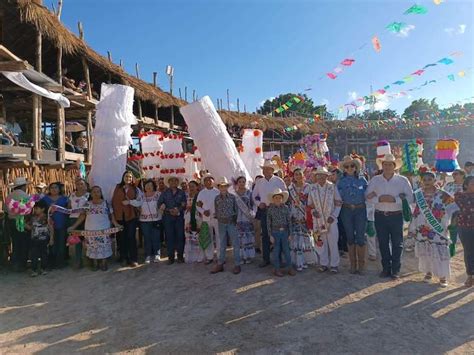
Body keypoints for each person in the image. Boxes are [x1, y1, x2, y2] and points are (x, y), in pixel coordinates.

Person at [366, 154, 414, 279]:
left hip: (396, 215)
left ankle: (396, 269)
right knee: (382, 243)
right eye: (385, 164)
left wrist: (394, 200)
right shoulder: (375, 180)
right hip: (380, 215)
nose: (387, 166)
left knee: (397, 243)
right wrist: (379, 199)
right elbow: (367, 196)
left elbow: (410, 197)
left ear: (394, 166)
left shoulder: (402, 180)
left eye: (389, 164)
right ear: (382, 166)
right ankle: (386, 268)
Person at [409, 171, 458, 287]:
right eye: (424, 180)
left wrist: (452, 222)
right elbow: (413, 210)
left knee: (440, 250)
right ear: (421, 181)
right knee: (426, 250)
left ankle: (442, 276)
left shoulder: (443, 194)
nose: (427, 182)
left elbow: (454, 207)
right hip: (422, 228)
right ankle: (428, 272)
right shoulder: (417, 194)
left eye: (429, 179)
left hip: (438, 228)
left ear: (434, 180)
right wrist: (413, 228)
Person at [68, 186, 121, 271]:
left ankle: (104, 262)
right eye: (94, 192)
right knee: (92, 245)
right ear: (91, 194)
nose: (96, 193)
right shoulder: (87, 204)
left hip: (104, 228)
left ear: (101, 193)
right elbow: (82, 216)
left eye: (98, 192)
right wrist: (74, 226)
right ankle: (95, 263)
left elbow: (111, 216)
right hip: (90, 228)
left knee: (104, 245)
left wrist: (116, 224)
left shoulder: (106, 203)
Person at [252, 160, 287, 267]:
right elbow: (254, 196)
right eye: (264, 169)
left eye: (268, 169)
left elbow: (285, 194)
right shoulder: (259, 182)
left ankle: (279, 259)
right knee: (265, 235)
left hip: (276, 210)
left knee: (278, 234)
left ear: (272, 170)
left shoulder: (279, 181)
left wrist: (279, 205)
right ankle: (266, 259)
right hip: (265, 210)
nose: (266, 171)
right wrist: (259, 204)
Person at [337, 156, 368, 274]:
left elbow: (368, 193)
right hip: (347, 210)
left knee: (360, 236)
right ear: (344, 169)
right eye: (346, 166)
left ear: (356, 167)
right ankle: (353, 264)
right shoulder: (341, 182)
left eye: (352, 166)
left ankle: (361, 264)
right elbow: (337, 196)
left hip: (360, 209)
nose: (349, 168)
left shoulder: (362, 180)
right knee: (349, 237)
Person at [308, 167, 342, 273]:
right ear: (316, 176)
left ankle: (334, 264)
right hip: (318, 221)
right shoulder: (312, 188)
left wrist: (334, 215)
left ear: (327, 176)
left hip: (330, 220)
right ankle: (323, 263)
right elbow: (310, 204)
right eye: (318, 175)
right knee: (321, 242)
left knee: (333, 243)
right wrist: (313, 212)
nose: (321, 177)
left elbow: (339, 202)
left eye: (323, 175)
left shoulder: (332, 187)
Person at [288, 168, 317, 271]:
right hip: (294, 215)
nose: (298, 176)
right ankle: (297, 261)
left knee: (305, 239)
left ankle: (305, 261)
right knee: (296, 239)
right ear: (294, 176)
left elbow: (312, 201)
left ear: (303, 175)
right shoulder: (290, 188)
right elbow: (289, 202)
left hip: (305, 215)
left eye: (300, 174)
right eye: (296, 174)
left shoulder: (308, 187)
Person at [211, 177, 241, 274]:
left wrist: (234, 220)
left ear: (227, 187)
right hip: (221, 223)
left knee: (235, 243)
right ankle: (220, 263)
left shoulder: (232, 197)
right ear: (219, 188)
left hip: (231, 222)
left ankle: (237, 264)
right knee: (222, 243)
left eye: (225, 186)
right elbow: (216, 210)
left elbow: (236, 210)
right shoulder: (216, 198)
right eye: (221, 186)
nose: (223, 188)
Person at [112, 171, 142, 267]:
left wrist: (130, 202)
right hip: (119, 216)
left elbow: (139, 202)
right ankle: (123, 257)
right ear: (123, 177)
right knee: (121, 237)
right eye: (126, 176)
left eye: (130, 177)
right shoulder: (115, 187)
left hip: (131, 217)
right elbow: (110, 200)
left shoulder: (136, 189)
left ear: (132, 178)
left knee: (131, 237)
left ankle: (133, 258)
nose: (128, 178)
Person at [158, 175, 187, 264]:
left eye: (175, 180)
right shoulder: (164, 193)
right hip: (167, 218)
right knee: (169, 237)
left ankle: (180, 256)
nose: (173, 182)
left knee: (180, 237)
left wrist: (178, 209)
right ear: (169, 182)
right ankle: (170, 257)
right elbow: (159, 204)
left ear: (178, 182)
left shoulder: (182, 193)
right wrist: (168, 210)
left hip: (179, 218)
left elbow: (184, 204)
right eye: (171, 181)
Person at [267, 188, 296, 277]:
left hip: (285, 232)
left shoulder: (286, 208)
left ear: (282, 198)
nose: (278, 199)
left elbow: (289, 221)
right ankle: (277, 269)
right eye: (276, 197)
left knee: (287, 251)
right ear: (273, 199)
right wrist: (270, 235)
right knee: (276, 251)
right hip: (275, 232)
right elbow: (268, 223)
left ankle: (289, 267)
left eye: (279, 197)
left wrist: (290, 233)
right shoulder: (270, 209)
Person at [5, 177, 32, 271]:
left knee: (15, 243)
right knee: (23, 243)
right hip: (21, 221)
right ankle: (22, 264)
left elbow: (5, 209)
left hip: (11, 221)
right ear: (24, 186)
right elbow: (27, 211)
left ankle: (15, 263)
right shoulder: (25, 196)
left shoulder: (9, 196)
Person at [41, 182, 69, 269]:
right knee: (50, 244)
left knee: (61, 244)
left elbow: (69, 210)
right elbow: (40, 210)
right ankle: (51, 262)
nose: (54, 189)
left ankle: (60, 262)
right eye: (52, 187)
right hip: (48, 225)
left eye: (56, 187)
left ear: (59, 189)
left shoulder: (65, 199)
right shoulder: (44, 199)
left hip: (61, 224)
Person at [454, 176, 474, 287]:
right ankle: (470, 275)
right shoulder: (459, 196)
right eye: (472, 183)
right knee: (469, 251)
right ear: (466, 185)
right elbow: (461, 208)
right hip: (465, 227)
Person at [196, 173, 220, 264]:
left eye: (210, 180)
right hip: (206, 218)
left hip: (217, 218)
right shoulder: (201, 193)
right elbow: (198, 205)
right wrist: (203, 211)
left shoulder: (217, 192)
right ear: (203, 183)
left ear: (213, 181)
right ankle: (209, 256)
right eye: (206, 180)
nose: (208, 182)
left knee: (219, 237)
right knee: (208, 236)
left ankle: (220, 256)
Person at [26, 200, 53, 277]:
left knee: (44, 254)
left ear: (43, 209)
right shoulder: (32, 218)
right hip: (34, 240)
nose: (35, 210)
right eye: (34, 209)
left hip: (44, 240)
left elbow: (51, 228)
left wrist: (51, 238)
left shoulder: (48, 218)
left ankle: (43, 268)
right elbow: (30, 228)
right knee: (34, 255)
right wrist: (22, 223)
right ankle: (34, 269)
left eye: (37, 208)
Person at [68, 178, 89, 269]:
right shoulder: (72, 195)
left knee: (87, 240)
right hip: (73, 219)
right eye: (78, 184)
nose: (80, 186)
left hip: (86, 220)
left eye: (82, 184)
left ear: (85, 185)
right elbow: (69, 207)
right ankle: (78, 261)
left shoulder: (89, 195)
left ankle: (89, 259)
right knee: (77, 241)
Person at [234, 176, 256, 264]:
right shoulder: (234, 194)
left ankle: (248, 256)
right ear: (237, 183)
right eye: (240, 182)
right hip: (238, 219)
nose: (242, 183)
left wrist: (253, 212)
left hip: (247, 218)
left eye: (243, 182)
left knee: (248, 237)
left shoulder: (249, 193)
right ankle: (241, 256)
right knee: (240, 238)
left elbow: (253, 204)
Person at [139, 179, 162, 264]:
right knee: (147, 238)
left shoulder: (158, 194)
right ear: (144, 187)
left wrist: (162, 206)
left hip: (156, 219)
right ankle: (148, 255)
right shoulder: (141, 196)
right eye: (147, 185)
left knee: (156, 237)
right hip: (144, 220)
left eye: (150, 185)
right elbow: (137, 204)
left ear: (154, 186)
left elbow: (163, 202)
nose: (148, 187)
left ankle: (157, 254)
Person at [184, 180, 203, 263]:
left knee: (198, 236)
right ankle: (191, 256)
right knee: (189, 236)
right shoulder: (186, 195)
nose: (191, 188)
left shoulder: (200, 195)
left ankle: (200, 255)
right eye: (190, 186)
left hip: (198, 217)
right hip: (188, 218)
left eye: (193, 186)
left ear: (197, 187)